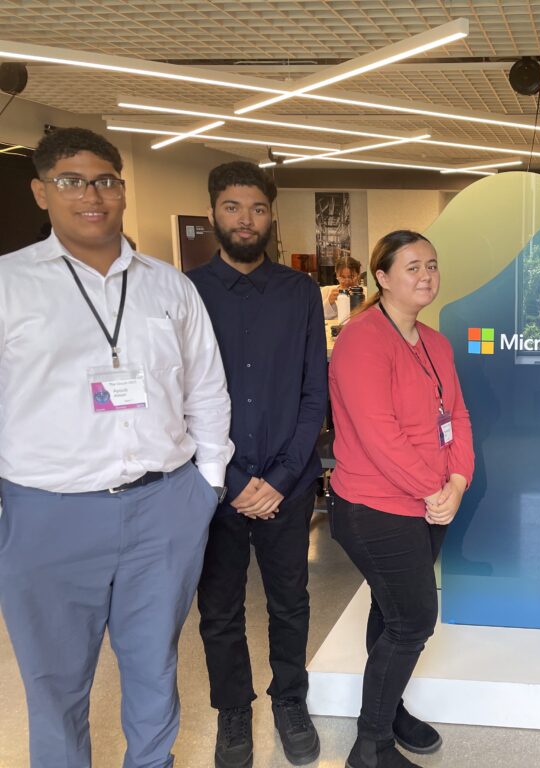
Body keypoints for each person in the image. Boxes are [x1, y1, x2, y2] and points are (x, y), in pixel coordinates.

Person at [0, 127, 232, 767]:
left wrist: (207, 485)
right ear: (41, 192)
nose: (91, 195)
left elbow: (206, 388)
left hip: (164, 507)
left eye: (105, 180)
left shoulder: (169, 286)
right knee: (54, 682)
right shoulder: (10, 284)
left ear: (122, 190)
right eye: (71, 182)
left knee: (155, 666)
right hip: (48, 512)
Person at [187, 162, 328, 768]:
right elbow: (178, 395)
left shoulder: (300, 292)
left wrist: (281, 478)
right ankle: (233, 711)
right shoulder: (185, 291)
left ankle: (290, 699)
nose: (246, 220)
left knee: (290, 602)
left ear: (272, 216)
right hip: (212, 487)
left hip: (287, 485)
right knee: (219, 610)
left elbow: (314, 393)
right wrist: (236, 480)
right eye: (232, 207)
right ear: (213, 213)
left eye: (258, 209)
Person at [328, 230, 474, 768]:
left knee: (390, 611)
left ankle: (387, 711)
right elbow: (378, 435)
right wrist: (434, 490)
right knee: (412, 622)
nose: (426, 276)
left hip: (430, 505)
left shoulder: (435, 342)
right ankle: (371, 748)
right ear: (383, 277)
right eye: (412, 267)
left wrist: (457, 481)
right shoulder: (362, 339)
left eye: (431, 265)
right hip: (374, 507)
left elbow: (457, 415)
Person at [323, 255, 363, 322]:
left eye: (351, 277)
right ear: (336, 275)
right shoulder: (326, 291)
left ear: (358, 275)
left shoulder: (365, 293)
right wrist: (329, 302)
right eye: (342, 277)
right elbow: (318, 317)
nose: (347, 281)